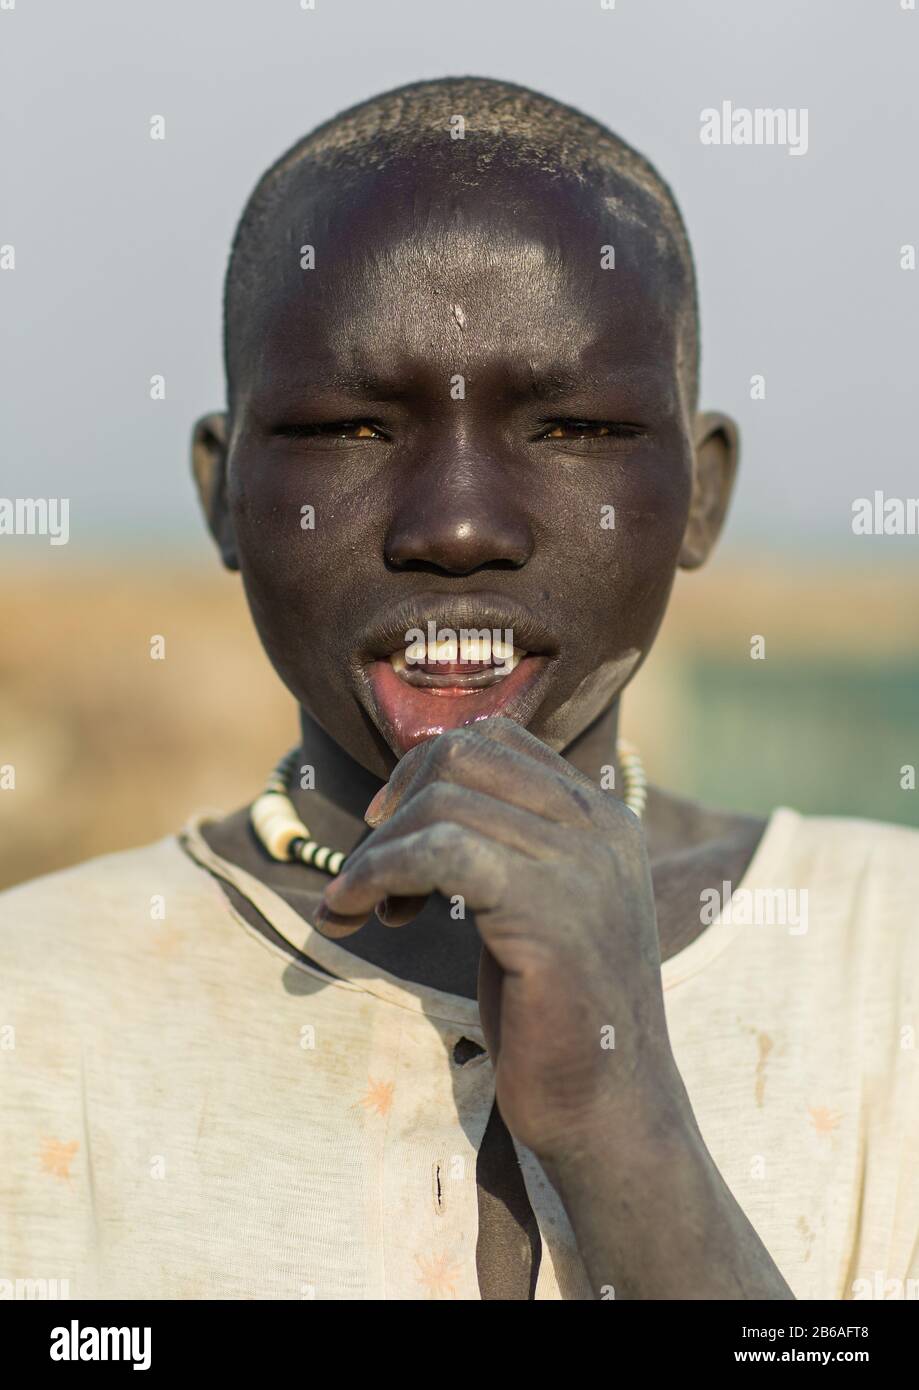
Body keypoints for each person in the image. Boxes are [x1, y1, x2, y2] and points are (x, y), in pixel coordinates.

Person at [2, 77, 916, 1302]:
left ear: (698, 495)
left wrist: (624, 1125)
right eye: (350, 429)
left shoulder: (887, 964)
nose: (458, 525)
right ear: (224, 492)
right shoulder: (33, 1007)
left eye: (575, 429)